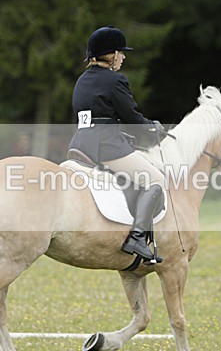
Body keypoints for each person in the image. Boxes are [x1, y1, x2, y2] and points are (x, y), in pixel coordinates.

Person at [68, 26, 166, 263]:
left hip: (80, 142)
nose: (123, 57)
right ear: (109, 55)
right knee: (156, 180)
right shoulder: (115, 80)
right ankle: (137, 238)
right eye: (120, 52)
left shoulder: (82, 80)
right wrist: (153, 128)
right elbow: (131, 117)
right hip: (105, 146)